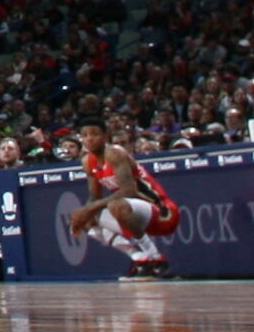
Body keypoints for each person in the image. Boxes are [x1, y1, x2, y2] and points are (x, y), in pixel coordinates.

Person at [66, 118, 176, 278]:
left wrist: (88, 209)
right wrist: (80, 218)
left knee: (114, 205)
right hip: (134, 217)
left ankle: (157, 259)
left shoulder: (114, 153)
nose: (89, 138)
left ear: (105, 136)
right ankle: (140, 258)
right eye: (85, 135)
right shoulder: (88, 161)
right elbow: (94, 197)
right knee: (87, 217)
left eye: (94, 134)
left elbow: (128, 191)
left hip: (162, 212)